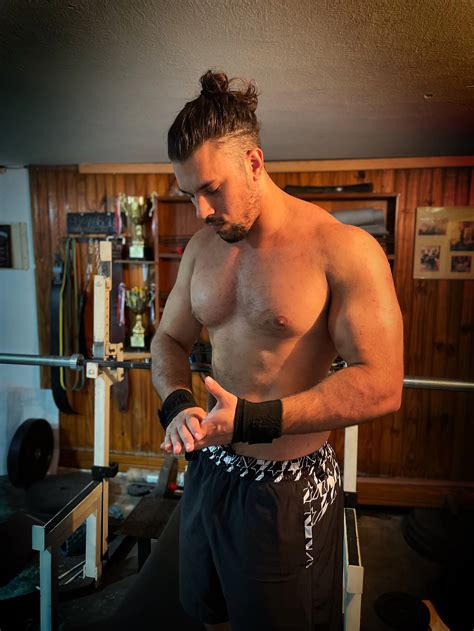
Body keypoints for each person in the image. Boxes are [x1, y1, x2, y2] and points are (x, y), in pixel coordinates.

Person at [151, 70, 404, 631]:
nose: (201, 210)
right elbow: (168, 339)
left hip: (287, 485)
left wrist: (255, 419)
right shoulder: (201, 248)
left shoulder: (344, 250)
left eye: (211, 188)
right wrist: (177, 405)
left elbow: (383, 383)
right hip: (210, 469)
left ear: (254, 162)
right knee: (208, 614)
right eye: (189, 194)